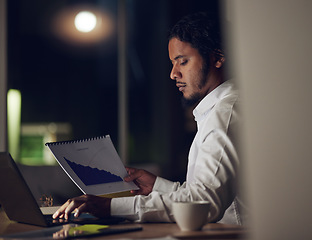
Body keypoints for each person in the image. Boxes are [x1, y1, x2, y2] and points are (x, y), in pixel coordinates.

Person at [53, 12, 246, 225]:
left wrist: (110, 206)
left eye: (183, 62)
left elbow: (204, 202)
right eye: (173, 63)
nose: (173, 74)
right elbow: (201, 192)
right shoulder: (221, 110)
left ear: (218, 57)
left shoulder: (225, 113)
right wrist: (157, 186)